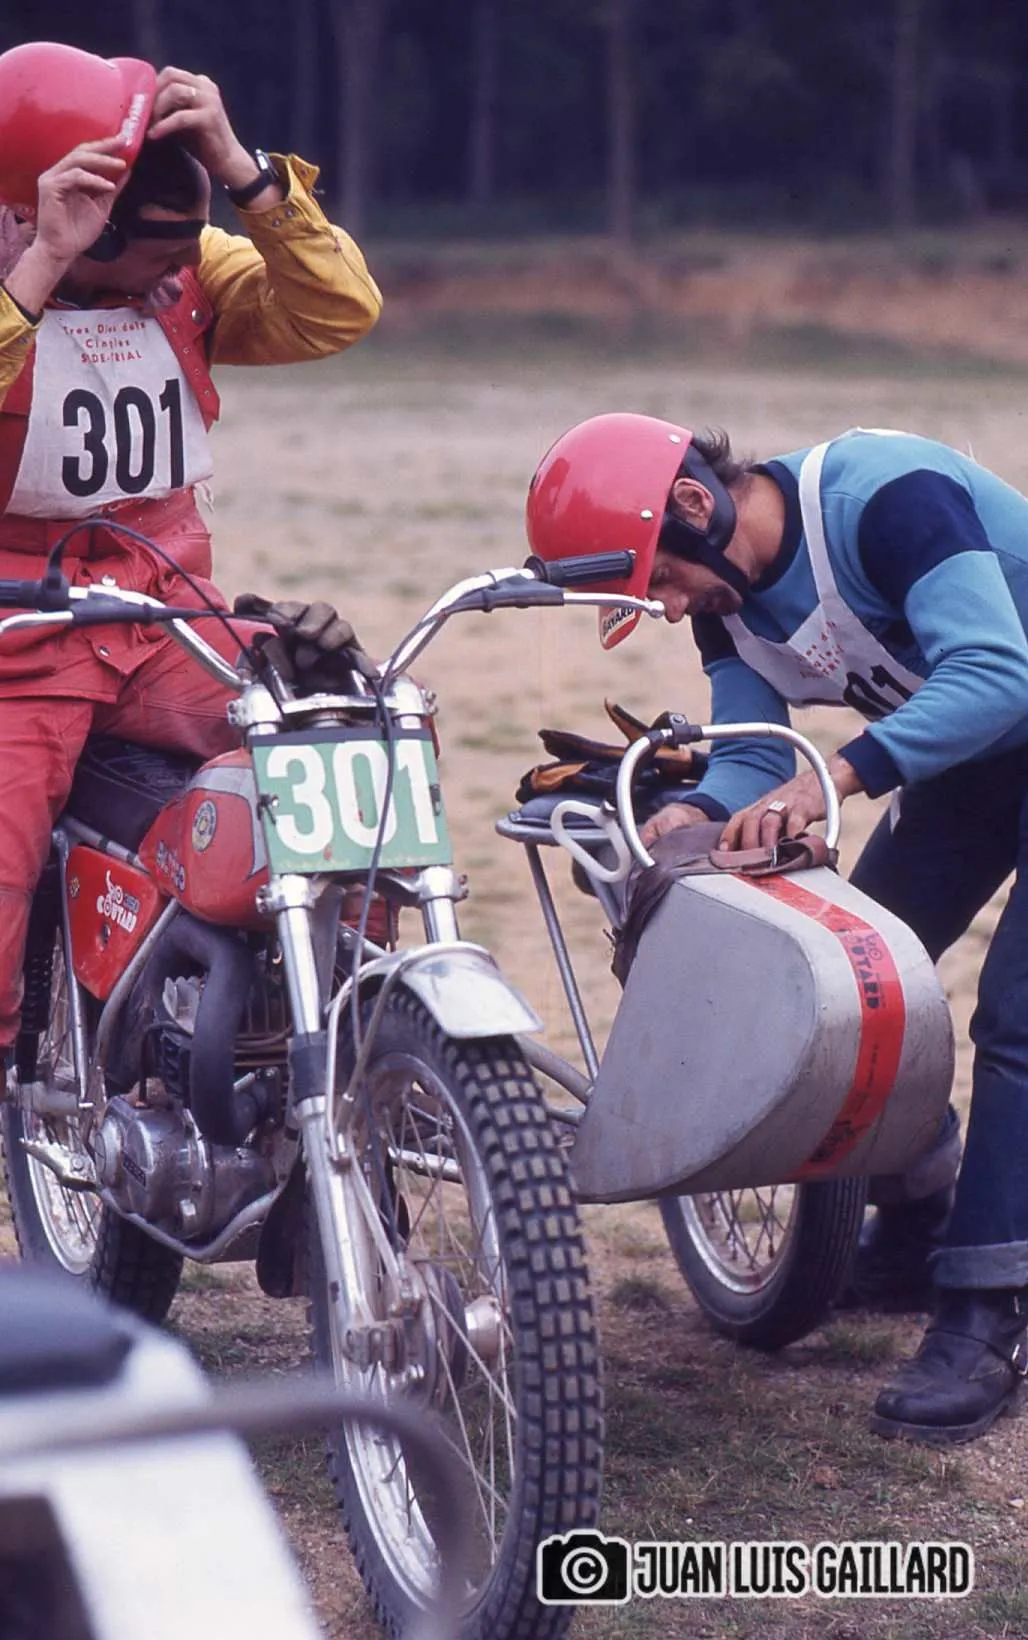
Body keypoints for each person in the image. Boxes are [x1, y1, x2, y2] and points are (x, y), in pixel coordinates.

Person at [525, 410, 1028, 1447]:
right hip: (977, 757)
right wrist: (691, 813)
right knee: (860, 980)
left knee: (1017, 1020)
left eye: (662, 580)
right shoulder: (730, 601)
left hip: (997, 709)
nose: (668, 608)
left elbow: (993, 671)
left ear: (694, 505)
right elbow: (755, 753)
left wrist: (832, 778)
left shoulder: (882, 497)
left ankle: (988, 1314)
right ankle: (919, 1217)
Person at [0, 43, 380, 1062]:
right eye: (151, 264)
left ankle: (355, 1010)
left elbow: (337, 309)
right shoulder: (39, 259)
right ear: (45, 213)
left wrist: (245, 173)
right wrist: (40, 270)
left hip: (165, 618)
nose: (175, 280)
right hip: (16, 645)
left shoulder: (187, 262)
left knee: (343, 727)